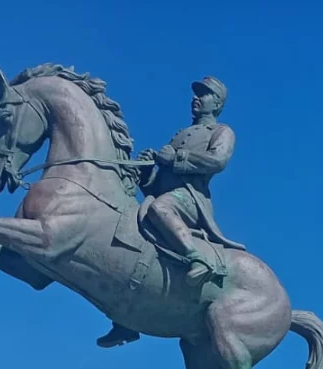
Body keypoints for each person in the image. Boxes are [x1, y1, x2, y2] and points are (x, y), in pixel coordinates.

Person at [96, 76, 245, 348]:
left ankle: (199, 258)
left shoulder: (222, 131)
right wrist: (145, 172)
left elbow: (217, 161)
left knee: (160, 207)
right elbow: (159, 184)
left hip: (191, 200)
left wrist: (176, 158)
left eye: (205, 94)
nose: (197, 98)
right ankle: (125, 322)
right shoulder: (180, 134)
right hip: (164, 196)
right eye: (196, 94)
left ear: (218, 103)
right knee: (128, 227)